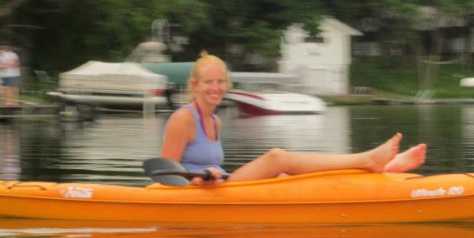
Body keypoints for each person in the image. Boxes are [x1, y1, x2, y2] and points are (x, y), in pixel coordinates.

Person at [160, 51, 427, 185]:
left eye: (220, 81)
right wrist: (196, 179)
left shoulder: (215, 122)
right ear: (194, 85)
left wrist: (210, 176)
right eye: (208, 82)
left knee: (288, 173)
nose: (215, 88)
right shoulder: (182, 119)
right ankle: (366, 160)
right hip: (204, 191)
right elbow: (165, 175)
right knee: (277, 157)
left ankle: (379, 169)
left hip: (221, 184)